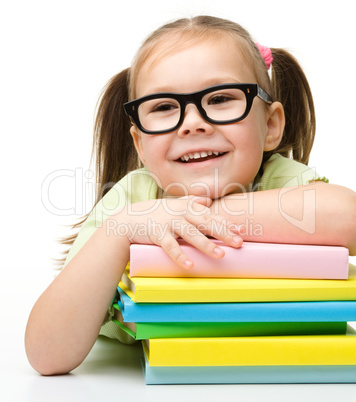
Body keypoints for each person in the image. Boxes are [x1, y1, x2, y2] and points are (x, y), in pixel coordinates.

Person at [25, 15, 356, 376]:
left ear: (271, 125)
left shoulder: (279, 178)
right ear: (140, 143)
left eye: (220, 98)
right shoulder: (132, 201)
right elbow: (46, 354)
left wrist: (184, 215)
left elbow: (347, 218)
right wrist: (122, 228)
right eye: (164, 106)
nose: (192, 122)